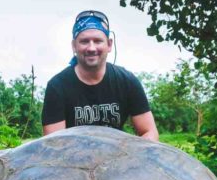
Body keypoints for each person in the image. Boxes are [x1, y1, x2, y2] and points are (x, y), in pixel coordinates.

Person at [41, 10, 159, 141]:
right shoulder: (57, 86)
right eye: (84, 41)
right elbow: (54, 145)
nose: (91, 48)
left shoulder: (127, 81)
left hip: (118, 156)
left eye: (97, 41)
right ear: (74, 46)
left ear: (109, 45)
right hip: (73, 159)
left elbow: (150, 132)